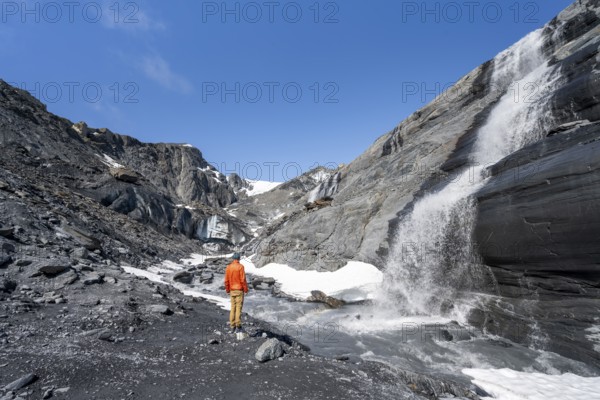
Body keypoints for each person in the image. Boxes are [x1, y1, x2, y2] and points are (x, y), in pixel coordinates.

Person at [224, 252, 248, 333]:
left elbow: (226, 281)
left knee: (232, 308)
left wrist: (227, 290)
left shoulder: (229, 267)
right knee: (238, 308)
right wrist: (246, 290)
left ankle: (232, 326)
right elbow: (243, 280)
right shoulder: (241, 267)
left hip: (232, 290)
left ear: (233, 258)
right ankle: (238, 325)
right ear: (239, 258)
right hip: (239, 290)